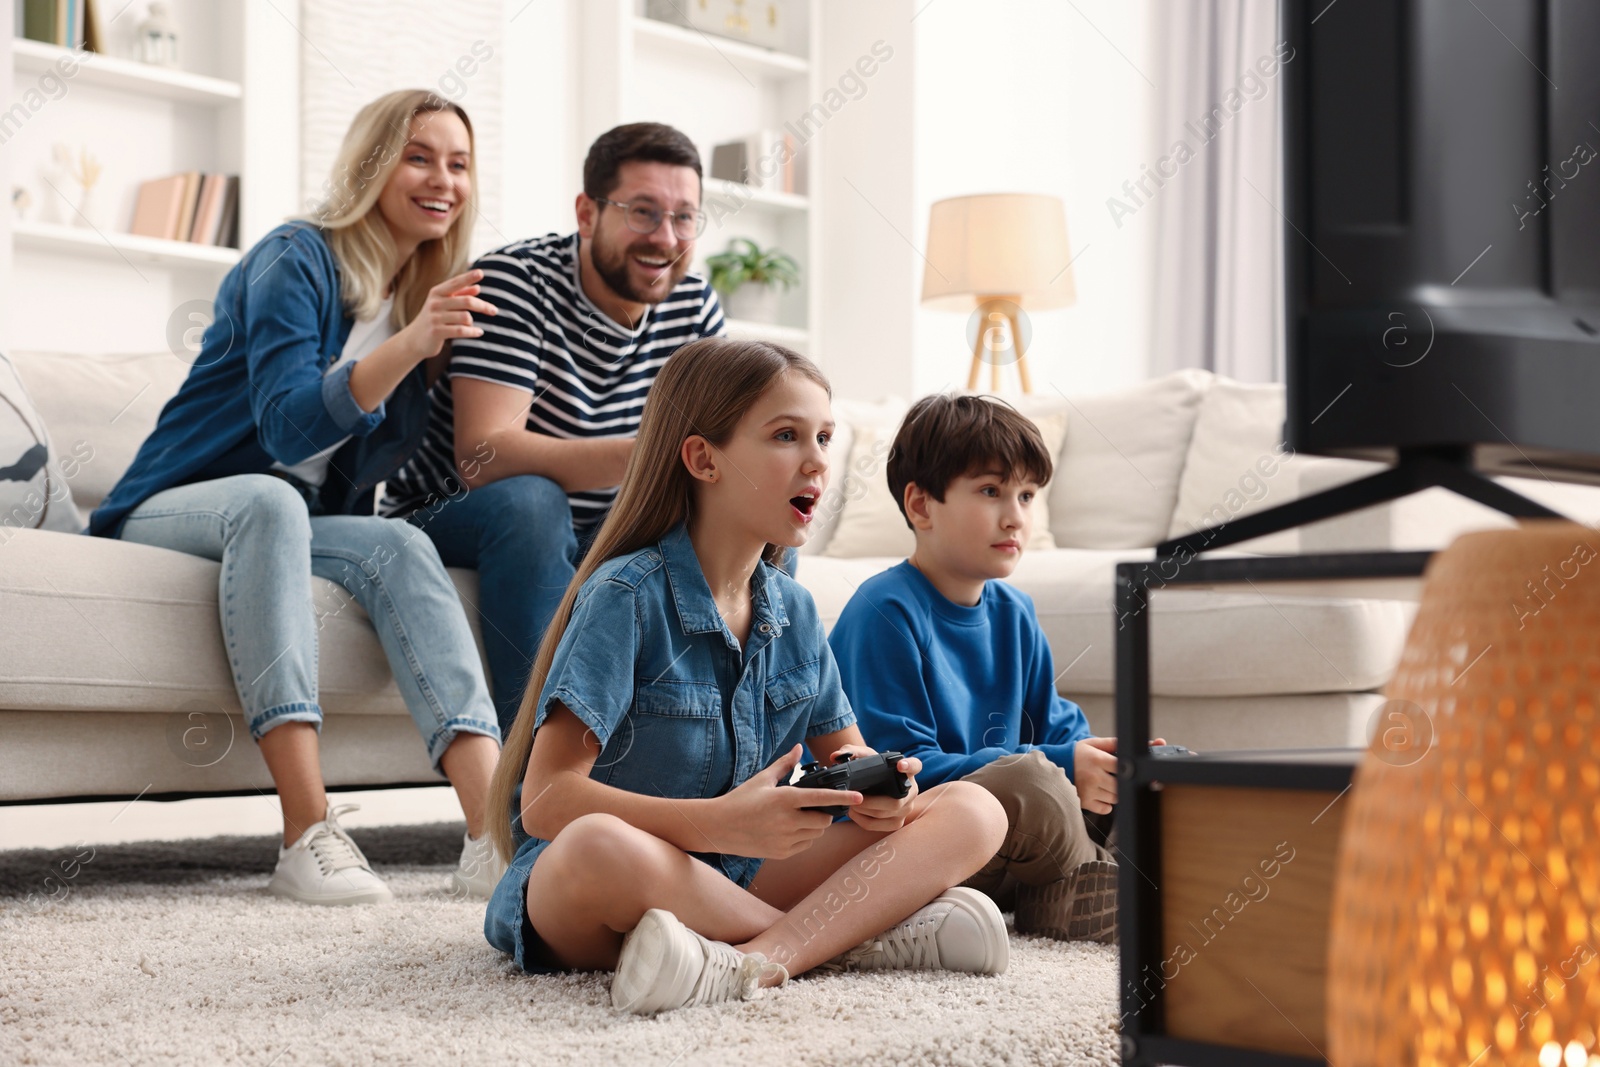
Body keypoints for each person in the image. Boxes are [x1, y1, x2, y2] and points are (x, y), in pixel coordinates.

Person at [482, 338, 1010, 1014]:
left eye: (824, 436)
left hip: (735, 876)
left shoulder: (794, 608)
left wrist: (881, 790)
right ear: (704, 459)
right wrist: (717, 824)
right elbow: (547, 801)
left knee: (974, 807)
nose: (818, 460)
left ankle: (763, 959)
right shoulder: (626, 595)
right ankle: (855, 940)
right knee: (594, 845)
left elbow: (844, 752)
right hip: (601, 889)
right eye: (786, 435)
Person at [89, 90, 504, 906]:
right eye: (418, 156)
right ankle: (306, 831)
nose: (442, 179)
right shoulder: (295, 258)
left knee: (403, 545)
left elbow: (379, 474)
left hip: (289, 518)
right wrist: (413, 343)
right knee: (272, 502)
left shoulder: (421, 300)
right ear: (370, 163)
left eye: (458, 164)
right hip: (174, 505)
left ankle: (494, 833)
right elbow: (285, 429)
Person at [381, 122, 726, 737]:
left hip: (604, 525)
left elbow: (712, 454)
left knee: (748, 515)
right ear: (588, 213)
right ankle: (530, 785)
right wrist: (656, 457)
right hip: (457, 512)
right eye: (643, 213)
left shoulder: (694, 305)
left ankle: (728, 771)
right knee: (532, 503)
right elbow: (485, 457)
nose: (666, 239)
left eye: (685, 219)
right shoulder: (517, 282)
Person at [828, 394, 1165, 943]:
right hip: (930, 842)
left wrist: (1104, 759)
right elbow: (897, 778)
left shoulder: (1015, 613)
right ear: (921, 506)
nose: (1016, 516)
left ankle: (1082, 886)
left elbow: (1056, 731)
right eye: (991, 492)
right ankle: (1093, 888)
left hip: (1015, 844)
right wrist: (1058, 766)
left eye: (1027, 496)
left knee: (1144, 775)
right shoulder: (884, 610)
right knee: (1032, 781)